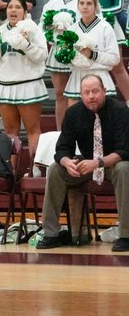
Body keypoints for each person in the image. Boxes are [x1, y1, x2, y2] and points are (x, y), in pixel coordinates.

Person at [36, 74, 129, 251]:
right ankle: (50, 233)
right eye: (86, 92)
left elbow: (124, 150)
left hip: (112, 164)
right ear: (81, 95)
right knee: (56, 169)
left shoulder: (120, 110)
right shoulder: (73, 113)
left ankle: (126, 235)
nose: (91, 96)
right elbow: (62, 149)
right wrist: (67, 163)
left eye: (95, 91)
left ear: (104, 91)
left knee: (125, 168)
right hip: (86, 164)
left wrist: (98, 163)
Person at [0, 0, 47, 160]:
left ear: (25, 12)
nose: (13, 10)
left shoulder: (34, 30)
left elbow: (41, 56)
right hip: (5, 87)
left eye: (18, 7)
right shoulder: (0, 31)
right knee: (10, 133)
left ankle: (35, 169)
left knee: (32, 130)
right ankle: (10, 171)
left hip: (28, 85)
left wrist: (26, 45)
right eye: (10, 7)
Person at [42, 0, 84, 127]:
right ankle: (61, 133)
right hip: (57, 51)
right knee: (60, 94)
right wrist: (51, 27)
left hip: (78, 51)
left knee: (77, 93)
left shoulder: (85, 0)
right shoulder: (53, 2)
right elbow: (42, 25)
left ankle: (79, 131)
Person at [62, 0, 120, 102]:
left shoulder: (105, 27)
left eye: (89, 3)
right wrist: (65, 56)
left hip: (100, 78)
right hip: (77, 80)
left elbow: (114, 58)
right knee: (76, 118)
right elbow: (65, 58)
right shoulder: (71, 29)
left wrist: (92, 54)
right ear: (77, 6)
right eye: (82, 3)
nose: (85, 7)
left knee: (103, 119)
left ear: (95, 6)